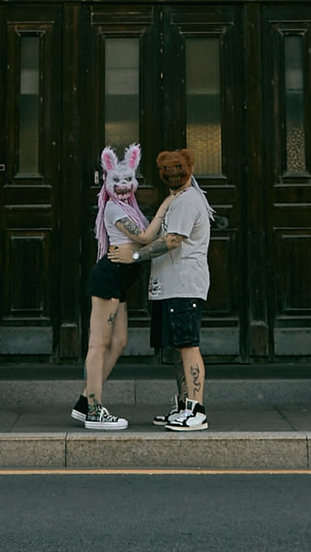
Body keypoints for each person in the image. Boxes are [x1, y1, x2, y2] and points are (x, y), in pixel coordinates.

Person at [110, 147, 213, 431]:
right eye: (167, 170)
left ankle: (196, 409)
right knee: (178, 349)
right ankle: (183, 405)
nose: (172, 174)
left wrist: (133, 256)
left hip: (184, 285)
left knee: (188, 346)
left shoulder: (187, 202)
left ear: (188, 170)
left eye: (178, 169)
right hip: (171, 286)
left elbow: (171, 241)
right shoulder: (177, 200)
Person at [73, 145, 146, 430]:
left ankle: (84, 401)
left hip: (121, 280)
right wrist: (168, 215)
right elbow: (143, 236)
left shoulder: (131, 208)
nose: (123, 185)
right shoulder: (115, 208)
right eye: (117, 181)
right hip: (109, 276)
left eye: (128, 179)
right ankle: (94, 408)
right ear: (108, 181)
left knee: (119, 342)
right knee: (99, 343)